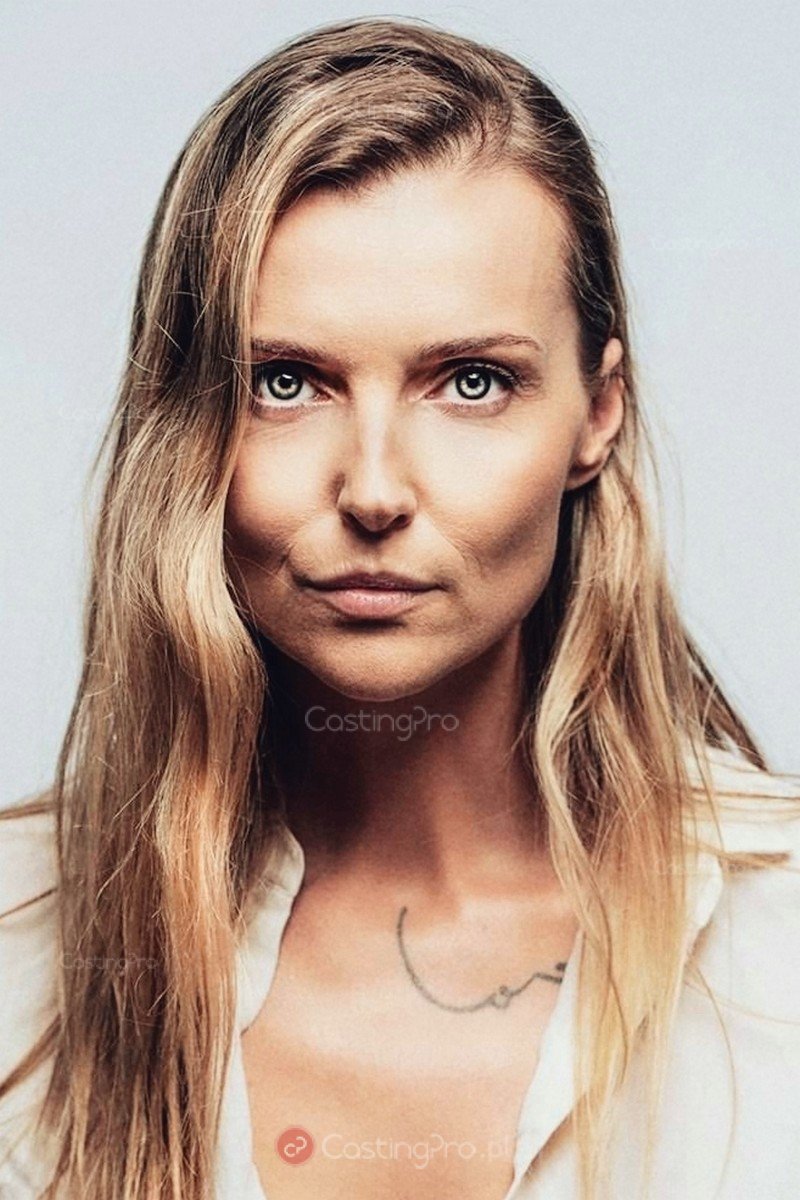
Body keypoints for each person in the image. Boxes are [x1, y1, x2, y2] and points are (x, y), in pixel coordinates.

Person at [2, 15, 799, 1200]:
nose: (373, 490)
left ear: (596, 413)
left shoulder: (776, 946)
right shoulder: (18, 958)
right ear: (185, 419)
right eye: (284, 383)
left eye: (470, 382)